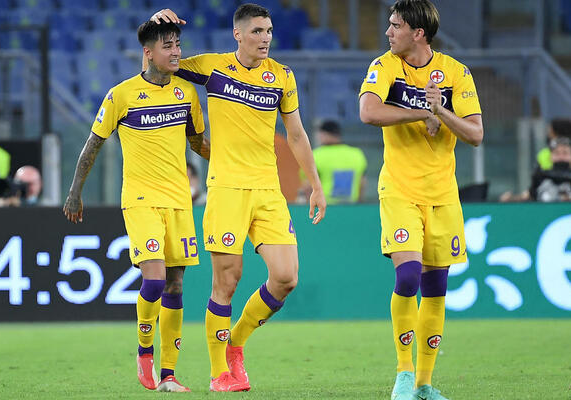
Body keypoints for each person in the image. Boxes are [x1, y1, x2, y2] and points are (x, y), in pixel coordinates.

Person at [150, 3, 326, 392]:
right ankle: (219, 374)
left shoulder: (282, 76)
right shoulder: (213, 67)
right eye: (257, 31)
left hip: (268, 190)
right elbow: (157, 68)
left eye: (269, 31)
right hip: (227, 189)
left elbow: (296, 134)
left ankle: (236, 342)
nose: (265, 38)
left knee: (286, 277)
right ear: (238, 34)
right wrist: (155, 26)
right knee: (226, 283)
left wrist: (315, 184)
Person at [63, 20, 210, 393]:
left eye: (178, 44)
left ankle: (169, 375)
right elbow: (93, 143)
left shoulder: (186, 92)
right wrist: (75, 191)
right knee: (155, 279)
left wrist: (232, 159)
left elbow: (197, 142)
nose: (176, 52)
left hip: (179, 200)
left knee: (175, 285)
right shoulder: (122, 95)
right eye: (167, 46)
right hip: (141, 198)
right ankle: (145, 351)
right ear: (149, 52)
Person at [358, 1, 483, 399]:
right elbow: (368, 112)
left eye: (395, 25)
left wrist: (440, 111)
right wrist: (418, 113)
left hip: (442, 194)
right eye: (389, 24)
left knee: (435, 287)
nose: (388, 32)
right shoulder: (385, 66)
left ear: (418, 33)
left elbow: (475, 134)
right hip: (399, 189)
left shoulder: (456, 72)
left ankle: (425, 384)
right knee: (408, 276)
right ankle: (404, 374)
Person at [300, 119, 367, 204]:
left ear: (323, 134)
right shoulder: (357, 154)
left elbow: (308, 186)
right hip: (351, 206)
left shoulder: (315, 155)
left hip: (325, 207)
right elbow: (362, 183)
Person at [529, 137, 571, 201]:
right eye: (557, 153)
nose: (561, 157)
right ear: (551, 157)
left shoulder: (543, 174)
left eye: (565, 153)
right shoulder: (540, 178)